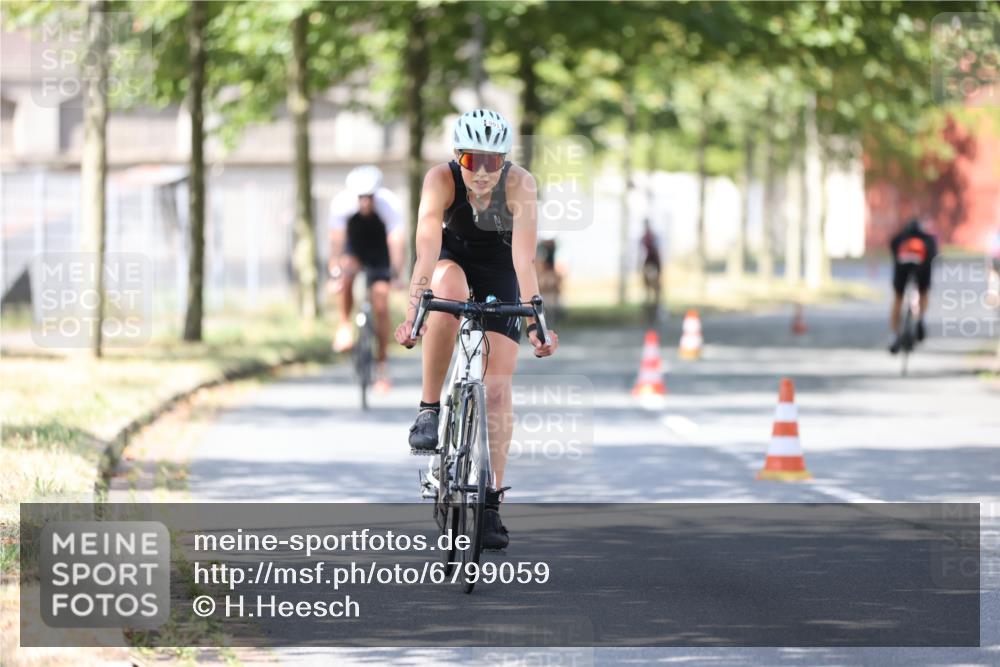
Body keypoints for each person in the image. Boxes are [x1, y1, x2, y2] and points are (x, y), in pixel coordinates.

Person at [394, 108, 558, 550]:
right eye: (472, 161)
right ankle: (429, 409)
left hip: (501, 268)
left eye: (492, 162)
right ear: (457, 157)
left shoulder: (520, 184)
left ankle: (489, 506)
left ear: (504, 162)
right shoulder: (440, 180)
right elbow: (425, 249)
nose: (482, 173)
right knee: (446, 288)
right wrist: (415, 312)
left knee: (499, 388)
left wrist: (536, 320)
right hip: (452, 260)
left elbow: (524, 259)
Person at [328, 165, 405, 391]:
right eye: (361, 198)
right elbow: (336, 243)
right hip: (355, 248)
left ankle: (382, 365)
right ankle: (344, 325)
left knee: (381, 303)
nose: (364, 203)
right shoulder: (342, 205)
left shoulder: (389, 205)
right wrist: (334, 272)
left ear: (375, 195)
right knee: (346, 272)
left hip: (379, 250)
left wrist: (396, 273)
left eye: (369, 198)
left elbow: (396, 240)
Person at [888, 217, 938, 354]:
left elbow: (893, 249)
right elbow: (933, 254)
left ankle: (893, 336)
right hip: (921, 268)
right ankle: (921, 319)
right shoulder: (927, 239)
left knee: (898, 297)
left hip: (902, 268)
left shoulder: (900, 238)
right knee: (923, 291)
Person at [639, 219, 663, 323]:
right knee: (654, 289)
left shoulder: (646, 238)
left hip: (649, 265)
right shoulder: (649, 238)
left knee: (651, 289)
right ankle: (652, 311)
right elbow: (655, 253)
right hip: (651, 265)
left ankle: (651, 311)